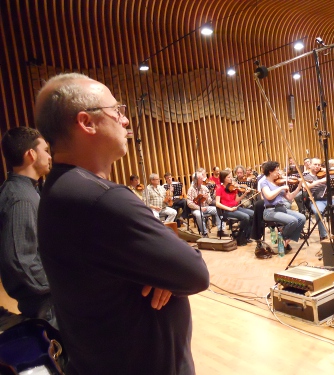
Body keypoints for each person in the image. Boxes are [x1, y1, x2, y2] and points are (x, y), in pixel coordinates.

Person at [35, 72, 210, 374]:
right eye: (116, 111)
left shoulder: (60, 187)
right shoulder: (100, 199)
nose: (125, 121)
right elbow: (194, 273)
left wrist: (161, 271)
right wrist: (165, 271)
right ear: (86, 122)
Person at [0, 127, 56, 327]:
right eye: (45, 150)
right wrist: (57, 284)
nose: (49, 156)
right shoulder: (21, 198)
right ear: (31, 154)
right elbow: (19, 260)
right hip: (45, 304)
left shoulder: (23, 190)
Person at [260, 161, 306, 251]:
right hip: (270, 211)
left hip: (281, 208)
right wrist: (281, 188)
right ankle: (283, 239)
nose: (279, 172)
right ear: (270, 171)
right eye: (277, 170)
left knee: (302, 218)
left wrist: (299, 186)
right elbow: (269, 196)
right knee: (293, 221)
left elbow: (290, 197)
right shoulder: (264, 183)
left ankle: (285, 239)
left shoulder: (279, 182)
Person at [216, 169, 254, 245]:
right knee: (246, 217)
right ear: (224, 179)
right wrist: (229, 209)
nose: (231, 179)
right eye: (228, 177)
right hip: (226, 211)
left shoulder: (233, 188)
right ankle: (239, 237)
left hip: (235, 208)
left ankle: (246, 236)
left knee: (253, 214)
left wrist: (245, 194)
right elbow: (217, 203)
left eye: (231, 177)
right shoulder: (219, 188)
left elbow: (236, 200)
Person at [186, 170, 223, 237]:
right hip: (196, 209)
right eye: (201, 178)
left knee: (218, 209)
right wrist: (200, 208)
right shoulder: (191, 190)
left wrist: (207, 198)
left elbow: (210, 202)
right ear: (196, 180)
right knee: (198, 215)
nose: (203, 179)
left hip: (206, 207)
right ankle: (204, 233)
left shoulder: (204, 188)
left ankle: (220, 230)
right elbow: (189, 203)